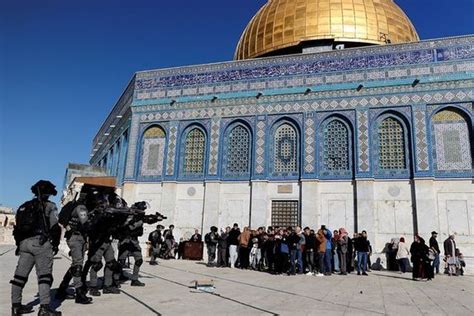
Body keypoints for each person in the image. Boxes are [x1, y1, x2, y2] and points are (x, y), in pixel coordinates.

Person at [11, 180, 62, 316]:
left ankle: (16, 307)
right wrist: (55, 244)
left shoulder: (23, 206)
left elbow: (17, 229)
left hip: (24, 244)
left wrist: (19, 245)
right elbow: (54, 226)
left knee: (19, 277)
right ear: (49, 193)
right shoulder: (50, 206)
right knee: (44, 276)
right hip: (40, 243)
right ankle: (44, 308)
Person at [56, 197, 93, 304]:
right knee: (77, 266)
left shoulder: (81, 208)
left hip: (80, 238)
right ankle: (79, 293)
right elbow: (86, 224)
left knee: (75, 265)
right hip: (75, 238)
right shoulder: (81, 208)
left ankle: (62, 289)